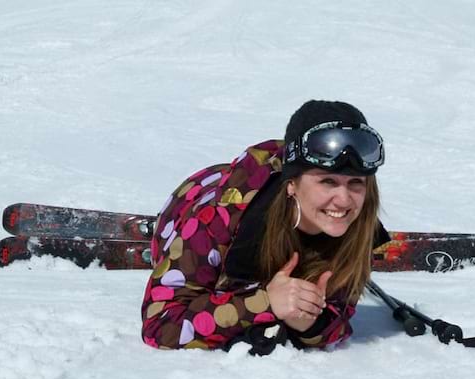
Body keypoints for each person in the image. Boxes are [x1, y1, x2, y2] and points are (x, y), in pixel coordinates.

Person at [141, 100, 390, 355]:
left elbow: (339, 318)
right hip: (191, 202)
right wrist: (265, 303)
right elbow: (160, 325)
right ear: (291, 183)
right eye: (327, 181)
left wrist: (310, 323)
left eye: (356, 183)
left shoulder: (359, 225)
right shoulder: (219, 216)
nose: (344, 200)